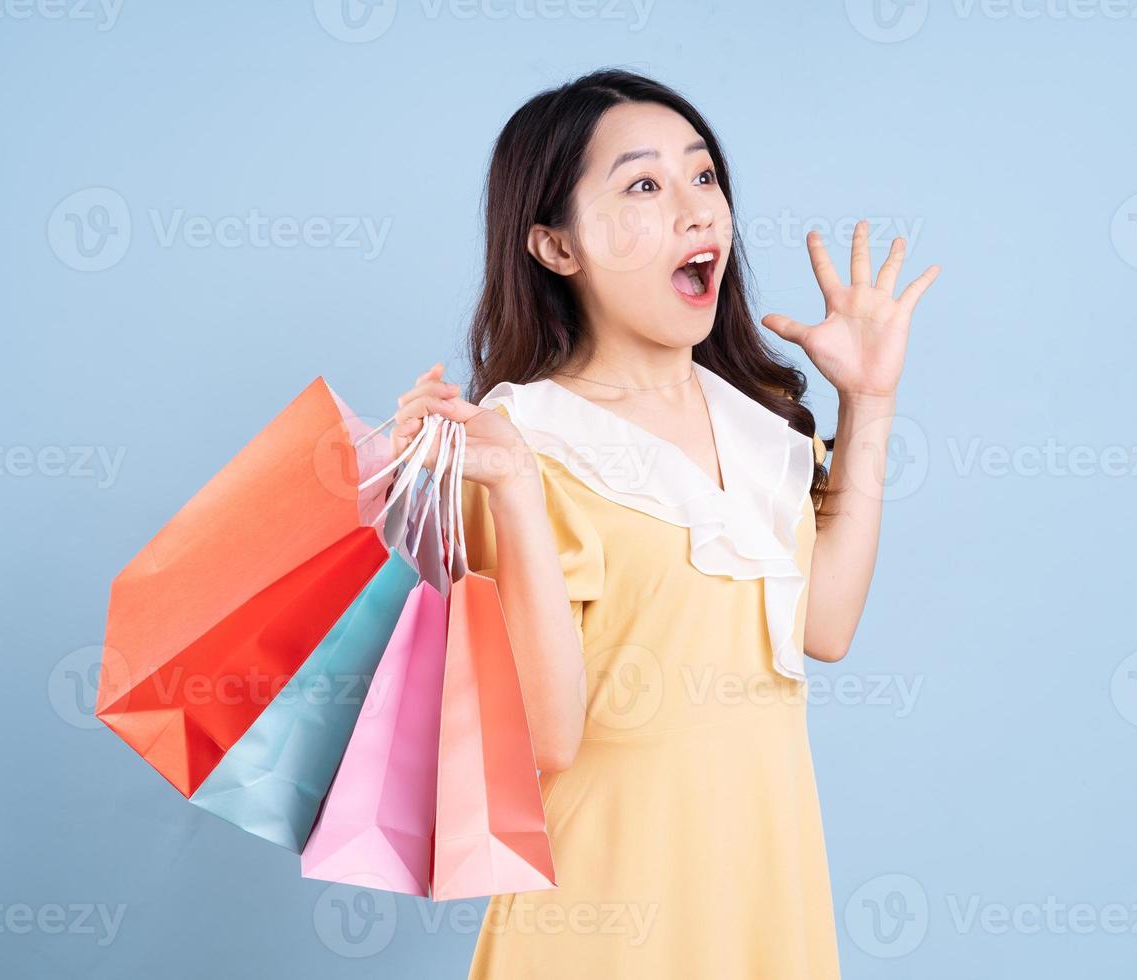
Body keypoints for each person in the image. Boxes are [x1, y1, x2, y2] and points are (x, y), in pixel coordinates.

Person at [384, 68, 939, 979]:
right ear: (556, 247)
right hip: (606, 916)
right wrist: (516, 493)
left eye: (704, 176)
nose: (696, 211)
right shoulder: (519, 442)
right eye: (643, 184)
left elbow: (825, 627)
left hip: (766, 895)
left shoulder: (762, 432)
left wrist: (868, 401)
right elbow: (548, 741)